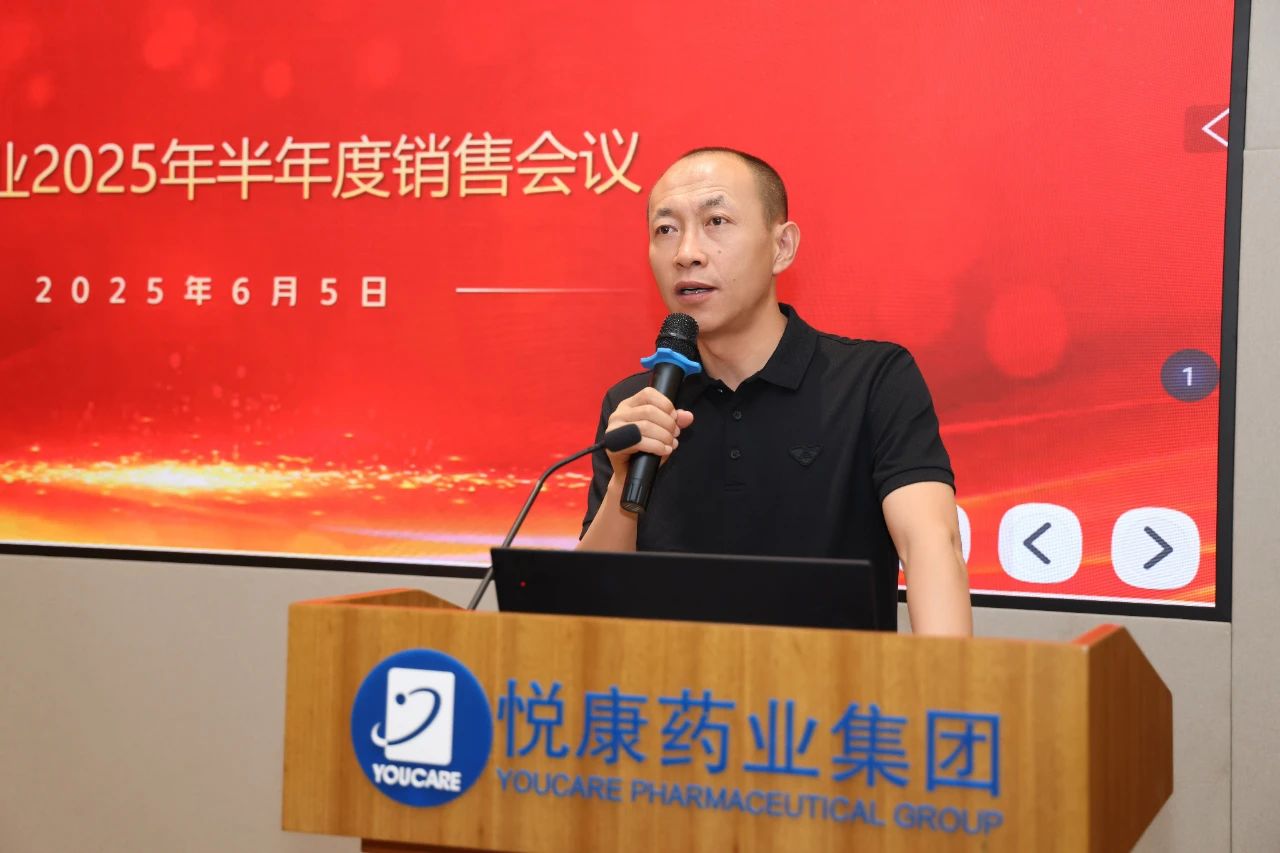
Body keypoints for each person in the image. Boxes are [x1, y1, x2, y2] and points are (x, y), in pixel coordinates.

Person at [578, 147, 971, 636]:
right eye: (666, 229)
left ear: (782, 247)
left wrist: (943, 678)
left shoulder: (873, 380)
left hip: (833, 682)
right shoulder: (636, 405)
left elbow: (931, 544)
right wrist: (623, 481)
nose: (686, 252)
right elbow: (588, 603)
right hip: (674, 683)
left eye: (716, 221)